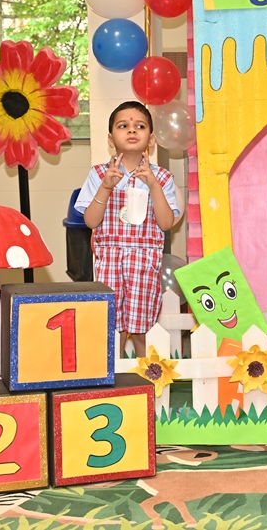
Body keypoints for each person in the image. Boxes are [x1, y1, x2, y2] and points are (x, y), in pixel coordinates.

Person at [76, 101, 180, 359]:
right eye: (123, 126)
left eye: (140, 126)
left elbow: (166, 223)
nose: (132, 130)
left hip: (145, 263)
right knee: (113, 328)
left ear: (151, 139)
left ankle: (147, 376)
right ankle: (116, 376)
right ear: (111, 139)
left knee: (143, 328)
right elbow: (91, 221)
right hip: (110, 262)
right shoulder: (99, 174)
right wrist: (106, 187)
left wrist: (153, 186)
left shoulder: (162, 178)